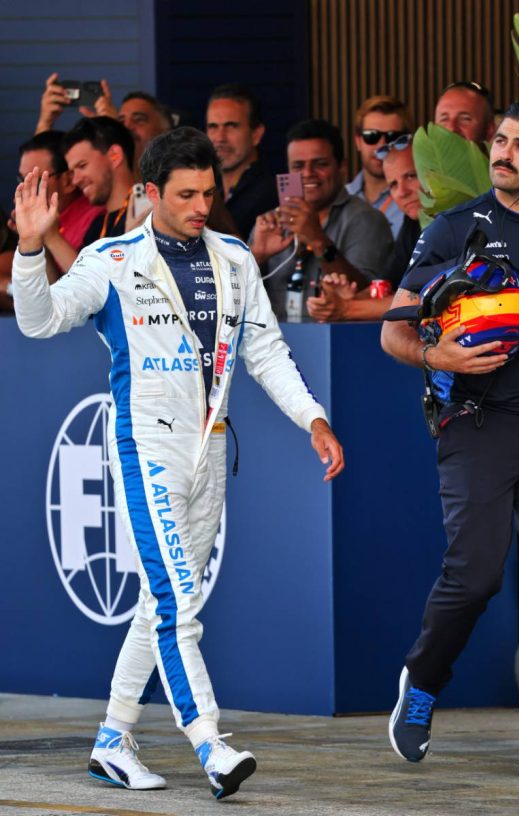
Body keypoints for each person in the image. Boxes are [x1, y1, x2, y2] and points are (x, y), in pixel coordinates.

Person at [12, 126, 344, 799]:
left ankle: (112, 742)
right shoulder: (109, 260)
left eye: (208, 192)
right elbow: (38, 322)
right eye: (185, 194)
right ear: (150, 192)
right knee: (175, 603)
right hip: (146, 446)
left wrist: (312, 418)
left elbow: (267, 353)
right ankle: (210, 743)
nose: (199, 205)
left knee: (163, 601)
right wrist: (27, 247)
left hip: (212, 447)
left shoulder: (234, 258)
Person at [381, 100, 519, 778]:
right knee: (475, 575)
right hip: (477, 424)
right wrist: (435, 358)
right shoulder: (454, 227)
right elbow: (392, 328)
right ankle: (421, 681)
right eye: (500, 140)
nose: (504, 153)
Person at [251, 118, 392, 322]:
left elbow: (368, 294)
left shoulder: (367, 219)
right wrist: (257, 254)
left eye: (320, 164)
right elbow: (232, 296)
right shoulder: (271, 221)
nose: (308, 174)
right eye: (298, 166)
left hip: (335, 346)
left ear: (341, 167)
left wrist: (318, 240)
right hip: (273, 347)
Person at [307, 134, 422, 322]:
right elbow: (385, 287)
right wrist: (346, 298)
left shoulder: (453, 221)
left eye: (411, 176)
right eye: (393, 184)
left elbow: (425, 300)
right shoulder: (413, 222)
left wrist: (347, 308)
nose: (401, 192)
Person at [17, 131, 104, 276]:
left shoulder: (97, 218)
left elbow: (94, 286)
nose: (25, 190)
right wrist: (33, 239)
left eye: (36, 181)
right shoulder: (47, 220)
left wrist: (52, 237)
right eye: (22, 180)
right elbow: (49, 289)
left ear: (68, 181)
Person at [206, 83, 277, 241]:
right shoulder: (206, 188)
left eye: (231, 126)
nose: (220, 138)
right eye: (213, 127)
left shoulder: (272, 194)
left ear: (256, 134)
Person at [346, 95, 412, 238]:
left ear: (405, 142)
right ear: (358, 141)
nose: (381, 145)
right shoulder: (341, 197)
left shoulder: (413, 197)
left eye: (392, 137)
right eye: (371, 136)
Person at [62, 116, 136, 245]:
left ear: (115, 156)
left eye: (82, 165)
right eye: (73, 172)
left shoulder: (152, 216)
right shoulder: (97, 226)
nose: (75, 180)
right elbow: (77, 266)